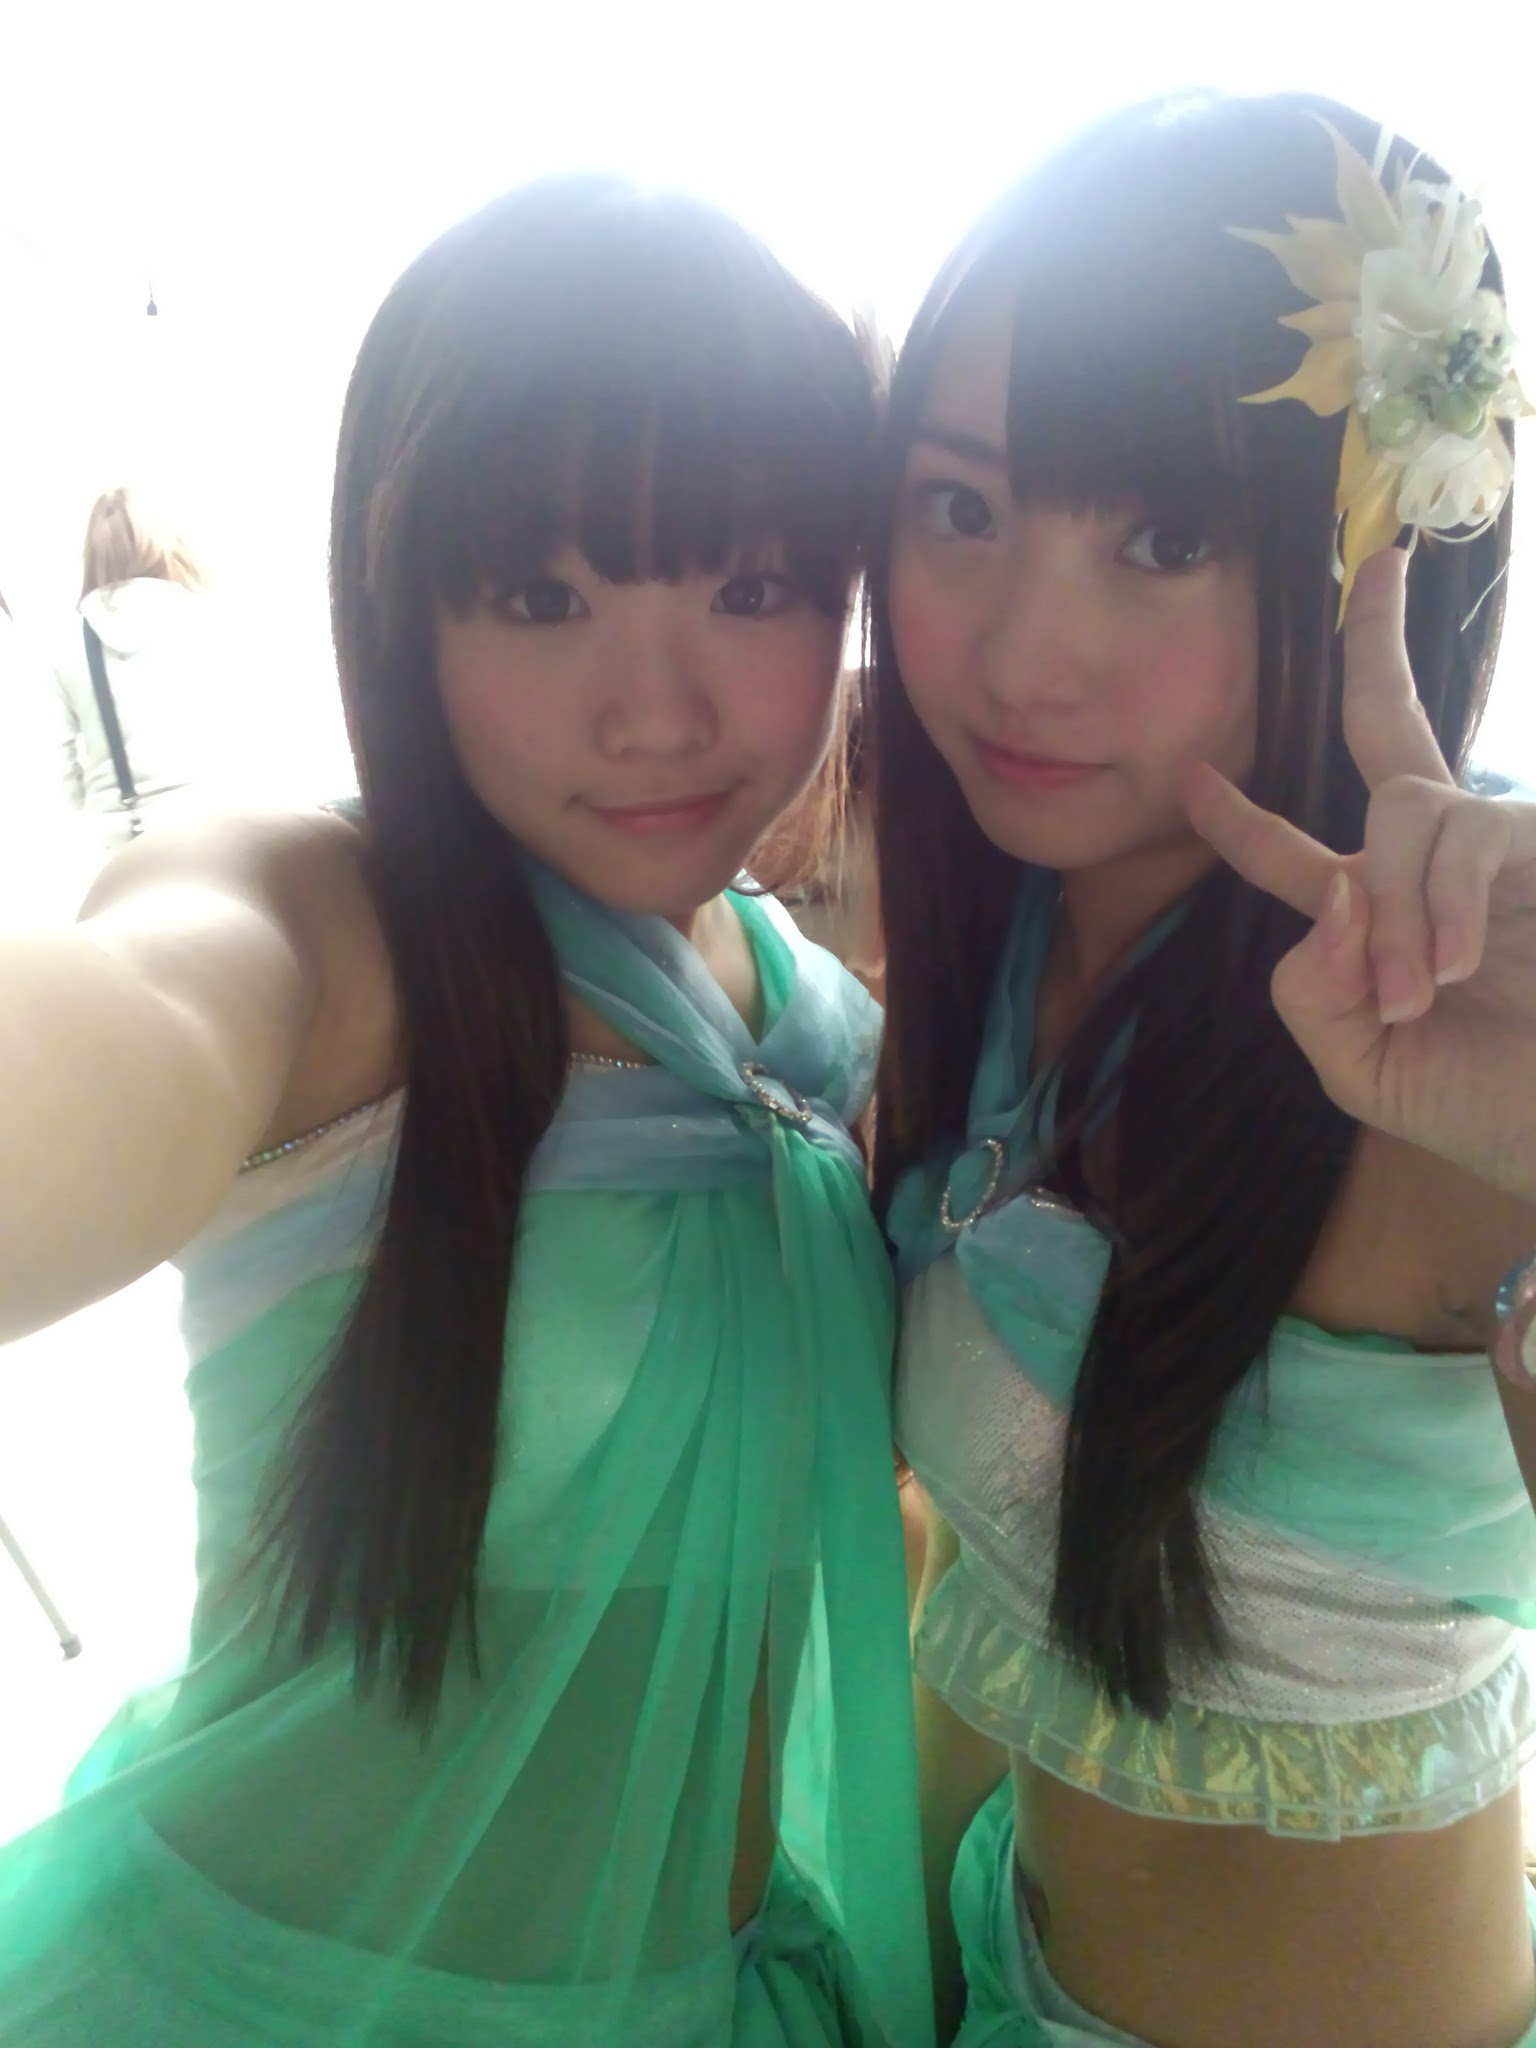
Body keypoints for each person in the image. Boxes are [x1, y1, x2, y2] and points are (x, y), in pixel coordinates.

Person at [0, 176, 931, 2048]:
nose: (655, 711)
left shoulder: (821, 1021)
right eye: (541, 595)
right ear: (398, 600)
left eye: (752, 586)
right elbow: (137, 1020)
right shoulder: (335, 934)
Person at [871, 92, 1536, 2047]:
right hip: (999, 1969)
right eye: (961, 507)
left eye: (1161, 536)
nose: (1022, 652)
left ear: (1378, 561)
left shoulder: (1458, 1014)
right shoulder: (1000, 915)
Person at [47, 487, 234, 850]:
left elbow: (60, 774)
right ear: (168, 546)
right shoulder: (208, 617)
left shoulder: (64, 643)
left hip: (118, 851)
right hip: (216, 834)